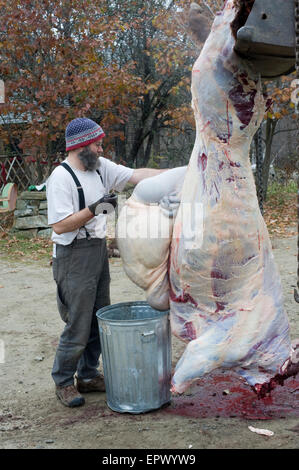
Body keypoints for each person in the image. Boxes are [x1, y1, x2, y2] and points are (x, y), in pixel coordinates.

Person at [47, 117, 168, 408]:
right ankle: (63, 381)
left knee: (99, 316)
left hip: (97, 251)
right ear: (81, 146)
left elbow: (137, 175)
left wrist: (179, 174)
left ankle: (87, 375)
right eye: (97, 144)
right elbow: (61, 226)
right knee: (78, 321)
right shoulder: (61, 178)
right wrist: (95, 209)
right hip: (72, 256)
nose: (101, 149)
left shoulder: (99, 168)